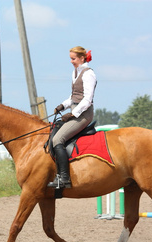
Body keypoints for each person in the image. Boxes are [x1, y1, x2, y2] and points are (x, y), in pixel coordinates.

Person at [48, 46, 97, 189]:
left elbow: (87, 99)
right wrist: (62, 106)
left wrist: (73, 114)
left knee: (58, 139)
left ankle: (64, 179)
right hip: (75, 110)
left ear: (82, 58)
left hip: (83, 114)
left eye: (73, 58)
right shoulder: (75, 72)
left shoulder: (89, 74)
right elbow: (74, 96)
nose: (71, 61)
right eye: (70, 58)